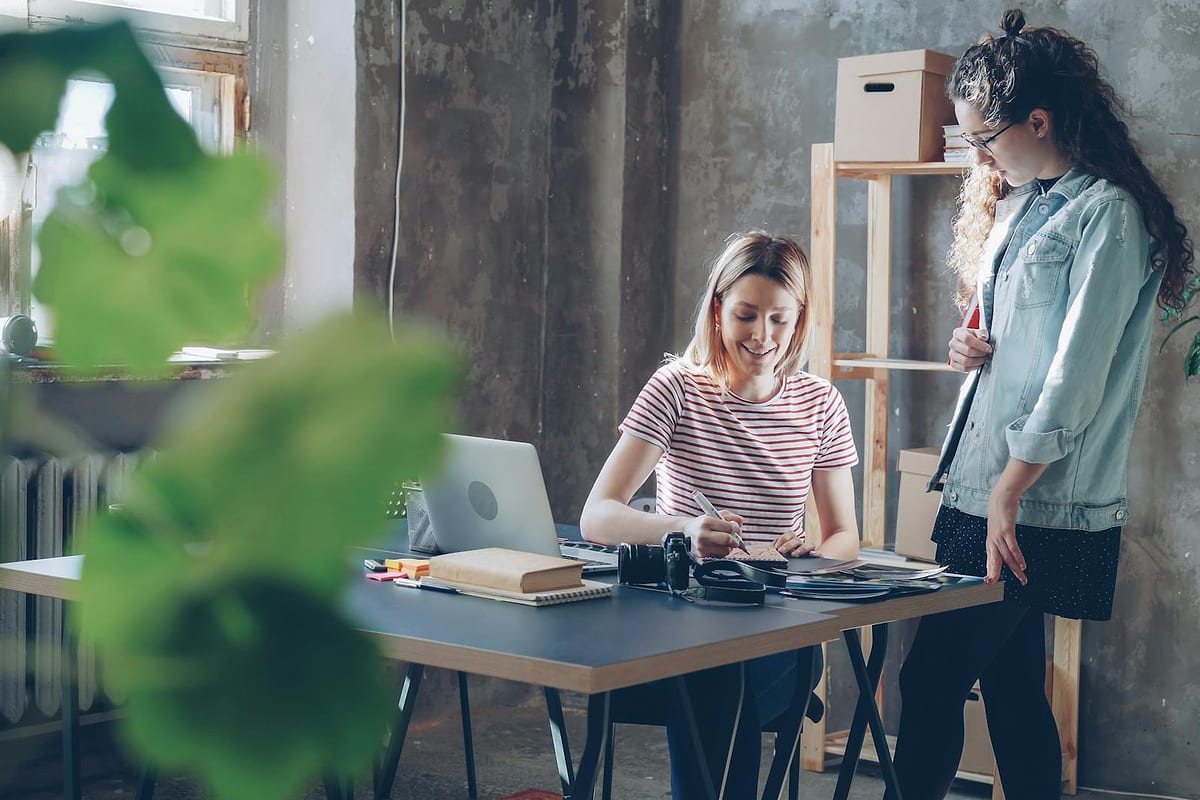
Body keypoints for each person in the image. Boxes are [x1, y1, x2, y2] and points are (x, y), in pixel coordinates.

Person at [889, 9, 1194, 800]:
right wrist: (969, 347)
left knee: (930, 682)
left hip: (1034, 499)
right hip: (988, 484)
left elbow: (1076, 374)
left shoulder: (1110, 215)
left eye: (986, 139)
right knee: (1013, 685)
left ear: (1039, 119)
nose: (980, 157)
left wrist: (1010, 488)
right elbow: (1014, 337)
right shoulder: (1022, 205)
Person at [580, 231, 861, 798]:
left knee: (724, 674)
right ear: (717, 310)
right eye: (746, 315)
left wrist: (812, 557)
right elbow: (598, 516)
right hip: (678, 620)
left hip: (774, 620)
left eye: (779, 319)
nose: (762, 337)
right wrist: (683, 530)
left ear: (799, 318)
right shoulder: (677, 390)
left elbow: (845, 538)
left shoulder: (820, 403)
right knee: (713, 670)